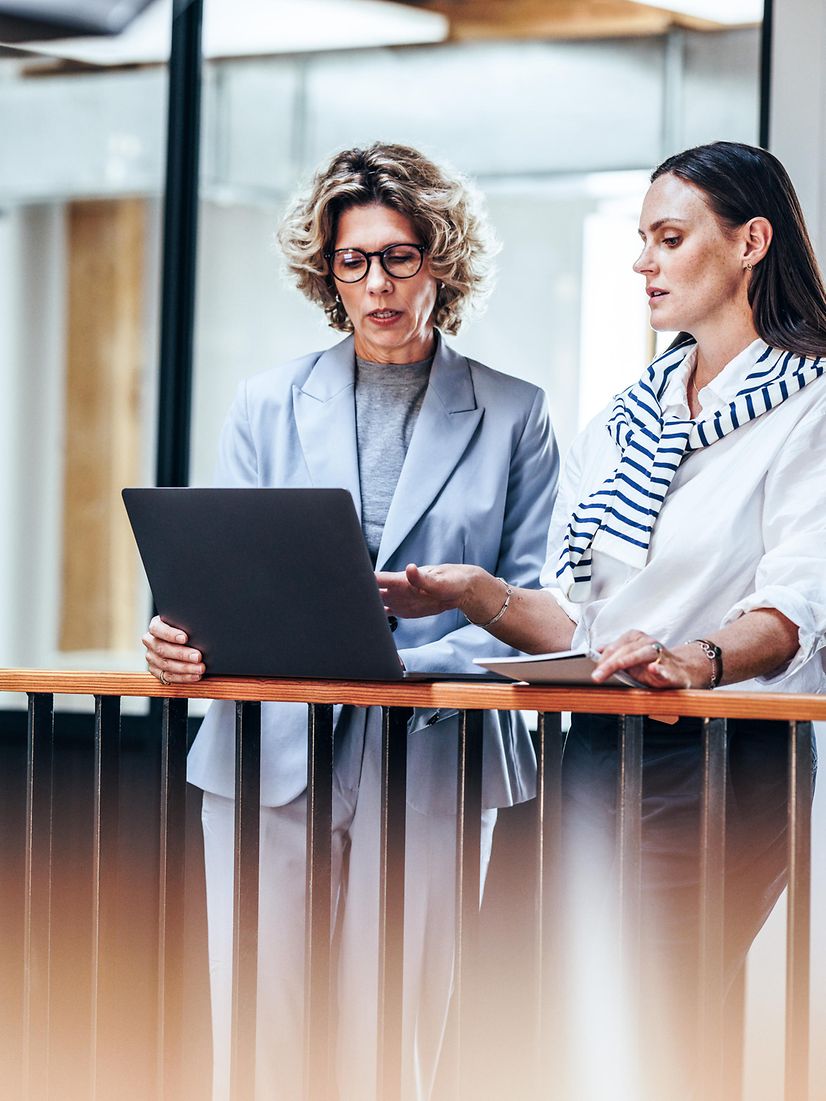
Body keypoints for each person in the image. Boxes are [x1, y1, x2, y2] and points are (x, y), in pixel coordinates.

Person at [380, 140, 826, 1096]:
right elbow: (580, 623)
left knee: (643, 1045)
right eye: (640, 241)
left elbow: (797, 606)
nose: (644, 264)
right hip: (587, 748)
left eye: (669, 238)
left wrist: (691, 661)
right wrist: (475, 593)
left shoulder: (813, 404)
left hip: (720, 763)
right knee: (502, 1031)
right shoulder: (625, 419)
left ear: (752, 242)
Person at [142, 141, 558, 1100]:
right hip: (269, 747)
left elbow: (533, 605)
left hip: (433, 745)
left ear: (440, 260)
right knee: (259, 1032)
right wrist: (172, 633)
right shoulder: (266, 401)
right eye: (354, 260)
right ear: (328, 271)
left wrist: (419, 654)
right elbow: (213, 569)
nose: (377, 283)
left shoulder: (515, 414)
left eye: (400, 255)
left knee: (395, 1036)